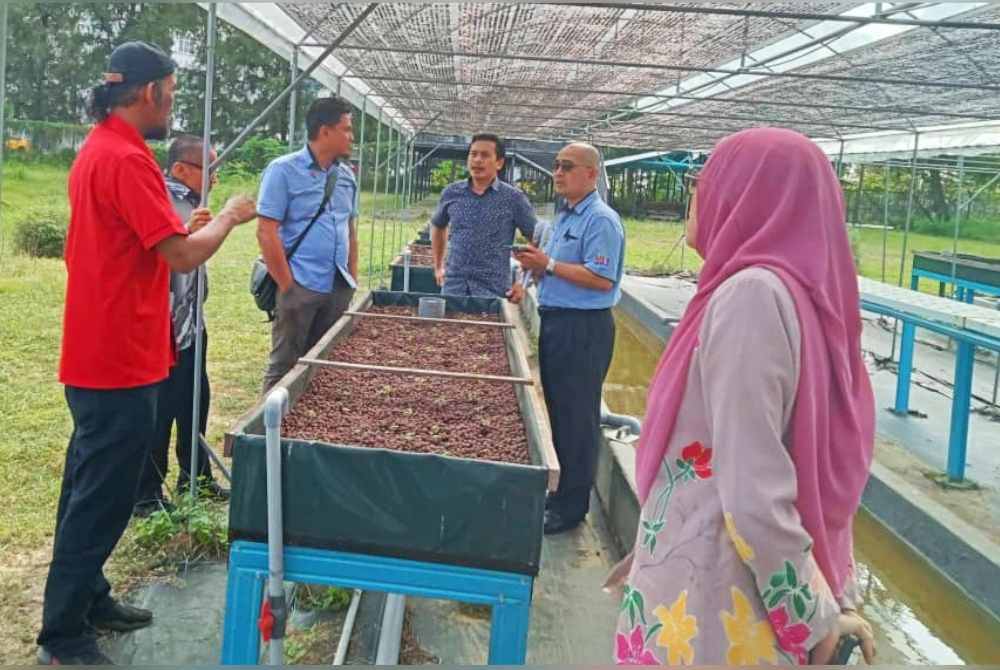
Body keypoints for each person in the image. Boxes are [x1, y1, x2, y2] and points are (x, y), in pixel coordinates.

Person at [610, 128, 876, 665]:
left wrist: (814, 620)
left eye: (706, 182)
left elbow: (753, 490)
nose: (695, 195)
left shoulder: (751, 297)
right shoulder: (802, 296)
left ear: (751, 193)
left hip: (719, 604)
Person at [38, 42, 256, 665]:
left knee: (87, 486)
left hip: (100, 348)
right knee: (101, 499)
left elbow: (148, 241)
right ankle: (62, 635)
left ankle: (89, 596)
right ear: (149, 91)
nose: (172, 105)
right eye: (171, 92)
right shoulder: (128, 159)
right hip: (119, 356)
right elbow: (181, 257)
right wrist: (229, 219)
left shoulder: (101, 148)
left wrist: (189, 227)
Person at [514, 142, 624, 535]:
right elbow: (556, 268)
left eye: (567, 166)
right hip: (558, 322)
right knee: (561, 412)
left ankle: (572, 508)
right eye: (557, 166)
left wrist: (549, 264)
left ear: (591, 174)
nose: (557, 173)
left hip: (583, 329)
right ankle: (561, 495)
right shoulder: (564, 216)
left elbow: (601, 278)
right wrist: (535, 269)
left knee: (578, 418)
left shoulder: (601, 221)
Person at [133, 135, 228, 518]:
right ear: (180, 169)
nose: (215, 178)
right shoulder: (161, 201)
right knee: (159, 412)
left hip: (189, 324)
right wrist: (195, 228)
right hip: (164, 327)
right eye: (210, 169)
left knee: (194, 401)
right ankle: (147, 495)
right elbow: (168, 257)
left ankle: (196, 477)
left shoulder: (191, 200)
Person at [258, 97, 359, 392]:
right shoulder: (283, 170)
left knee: (323, 365)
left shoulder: (346, 176)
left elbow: (350, 230)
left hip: (337, 285)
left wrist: (351, 279)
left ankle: (305, 418)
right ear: (325, 131)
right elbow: (266, 231)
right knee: (284, 366)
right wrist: (288, 286)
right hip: (300, 283)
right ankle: (268, 421)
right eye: (346, 129)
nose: (352, 136)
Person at [431, 133, 537, 302]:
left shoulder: (514, 198)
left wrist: (522, 282)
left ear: (499, 163)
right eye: (473, 154)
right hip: (454, 286)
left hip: (493, 291)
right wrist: (438, 266)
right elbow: (438, 225)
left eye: (485, 155)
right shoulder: (451, 193)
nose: (477, 160)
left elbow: (536, 239)